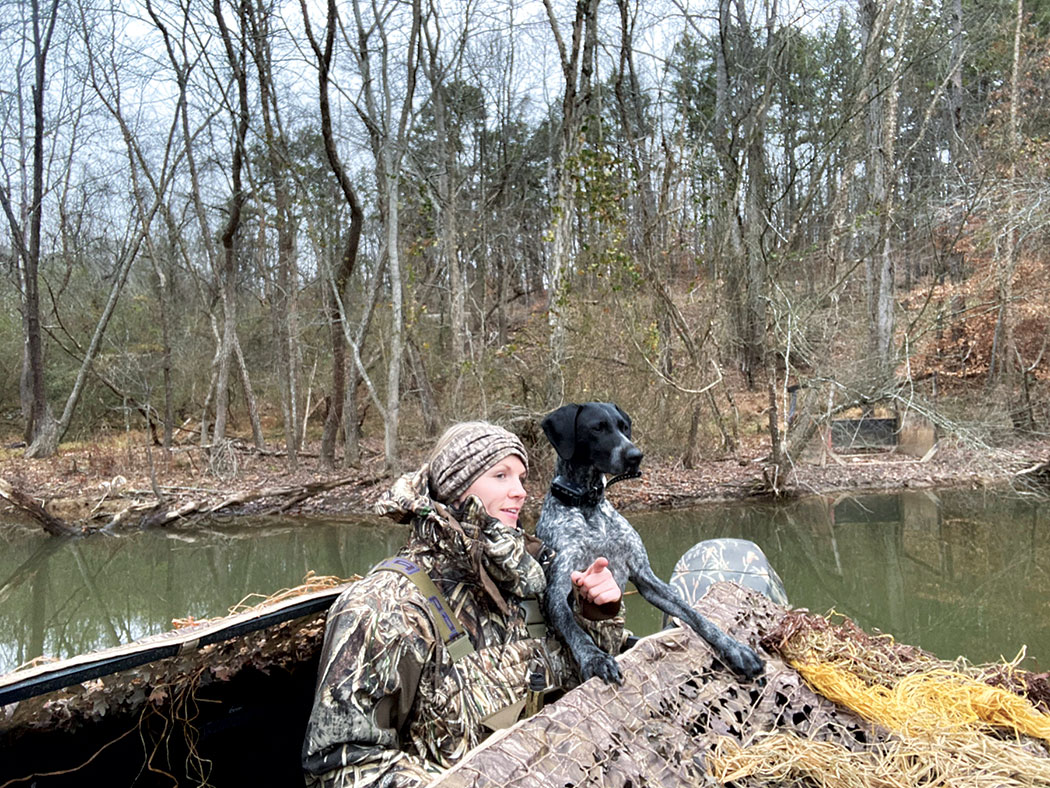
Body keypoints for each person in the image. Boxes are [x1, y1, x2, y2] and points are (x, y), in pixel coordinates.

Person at [302, 422, 628, 788]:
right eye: (501, 475)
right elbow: (340, 764)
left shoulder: (534, 578)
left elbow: (600, 685)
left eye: (521, 478)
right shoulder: (384, 606)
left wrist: (596, 610)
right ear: (457, 487)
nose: (519, 492)